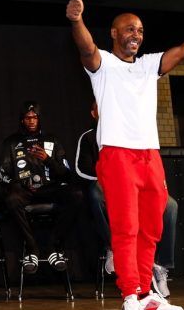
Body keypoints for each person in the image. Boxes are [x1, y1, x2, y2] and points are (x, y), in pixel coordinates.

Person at [66, 0, 184, 310]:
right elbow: (85, 48)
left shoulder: (148, 66)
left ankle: (146, 295)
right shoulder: (104, 65)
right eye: (130, 29)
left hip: (149, 155)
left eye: (141, 30)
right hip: (117, 155)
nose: (136, 35)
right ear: (114, 33)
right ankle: (129, 296)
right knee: (126, 227)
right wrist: (77, 20)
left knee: (152, 227)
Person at [75, 101, 178, 298]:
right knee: (95, 193)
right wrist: (112, 178)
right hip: (107, 182)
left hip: (134, 183)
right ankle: (113, 246)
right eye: (100, 108)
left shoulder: (128, 130)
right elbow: (81, 170)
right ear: (93, 113)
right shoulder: (89, 137)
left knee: (170, 205)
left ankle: (161, 266)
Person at [0, 101, 84, 274]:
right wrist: (18, 183)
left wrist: (47, 160)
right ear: (22, 120)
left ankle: (53, 246)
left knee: (76, 195)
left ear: (39, 119)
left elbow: (66, 173)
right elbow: (1, 174)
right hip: (25, 191)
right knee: (12, 199)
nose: (31, 121)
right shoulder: (11, 143)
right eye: (27, 118)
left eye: (34, 117)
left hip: (50, 189)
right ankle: (32, 248)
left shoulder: (52, 140)